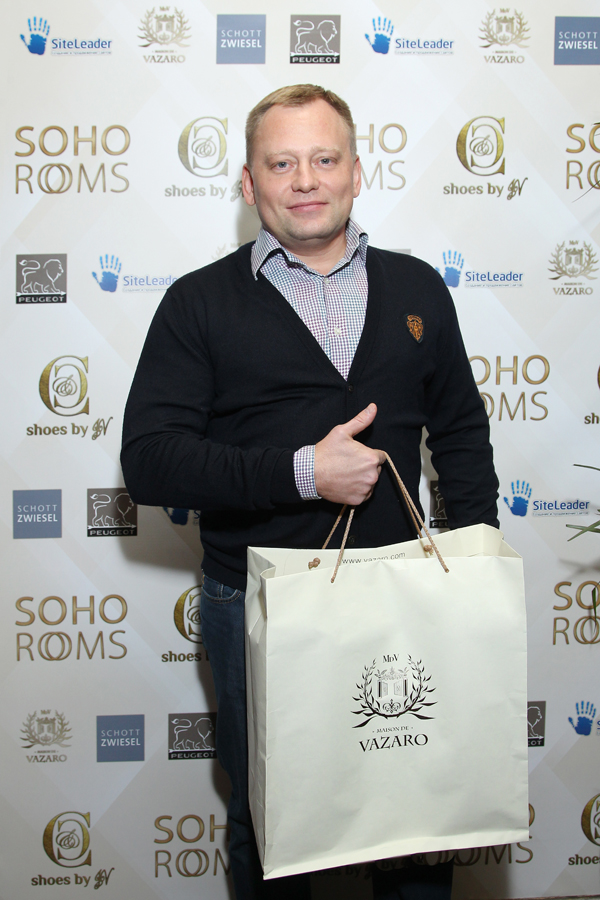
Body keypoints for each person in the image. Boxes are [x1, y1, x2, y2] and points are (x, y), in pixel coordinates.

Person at [121, 84, 499, 900]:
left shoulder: (418, 289)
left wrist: (477, 565)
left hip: (406, 597)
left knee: (419, 816)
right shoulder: (197, 303)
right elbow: (150, 462)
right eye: (281, 163)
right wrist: (302, 472)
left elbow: (462, 435)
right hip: (261, 601)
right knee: (272, 817)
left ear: (356, 172)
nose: (305, 180)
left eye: (325, 159)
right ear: (248, 183)